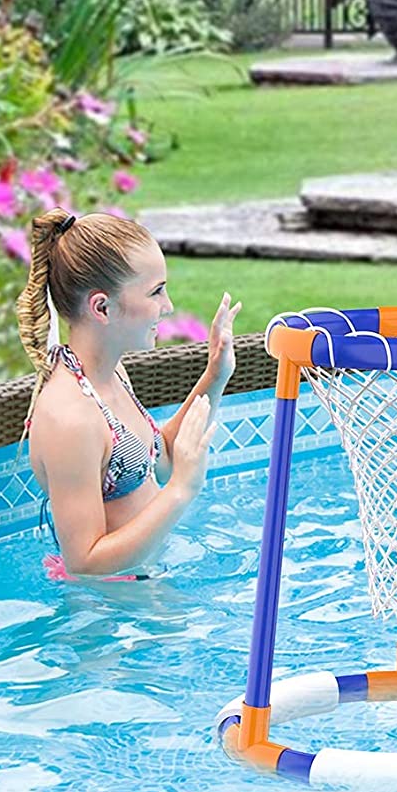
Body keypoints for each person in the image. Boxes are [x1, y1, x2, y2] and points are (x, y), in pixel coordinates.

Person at [16, 209, 241, 576]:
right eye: (156, 291)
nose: (168, 307)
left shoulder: (110, 375)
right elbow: (85, 563)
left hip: (142, 580)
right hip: (110, 603)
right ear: (102, 307)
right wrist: (181, 490)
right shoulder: (70, 419)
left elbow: (161, 459)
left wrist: (215, 374)